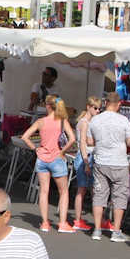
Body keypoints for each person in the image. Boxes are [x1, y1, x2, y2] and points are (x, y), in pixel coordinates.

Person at [87, 93, 130, 243]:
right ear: (119, 104)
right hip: (119, 162)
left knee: (99, 195)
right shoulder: (123, 120)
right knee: (120, 197)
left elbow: (90, 141)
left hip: (101, 161)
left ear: (105, 102)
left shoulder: (95, 119)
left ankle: (97, 230)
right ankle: (116, 231)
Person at [21, 95, 77, 232]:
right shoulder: (62, 121)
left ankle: (45, 222)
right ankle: (62, 223)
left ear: (47, 106)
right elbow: (72, 139)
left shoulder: (41, 121)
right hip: (56, 158)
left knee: (44, 191)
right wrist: (62, 151)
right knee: (63, 192)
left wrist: (36, 149)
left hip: (42, 158)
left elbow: (25, 137)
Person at [71, 96, 103, 231]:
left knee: (90, 189)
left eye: (99, 109)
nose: (97, 111)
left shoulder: (89, 122)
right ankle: (77, 220)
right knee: (82, 189)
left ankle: (96, 220)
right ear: (89, 107)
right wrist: (86, 163)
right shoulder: (84, 123)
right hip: (86, 157)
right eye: (95, 108)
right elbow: (84, 143)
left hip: (89, 156)